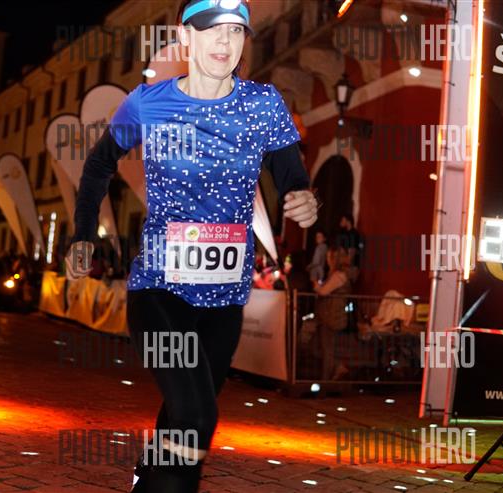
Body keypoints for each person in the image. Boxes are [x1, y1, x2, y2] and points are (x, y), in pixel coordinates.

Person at [66, 1, 318, 491]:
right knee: (197, 414)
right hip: (160, 290)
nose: (225, 42)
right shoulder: (147, 103)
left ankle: (147, 481)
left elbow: (292, 174)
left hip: (225, 299)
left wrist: (303, 197)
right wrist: (82, 234)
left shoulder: (263, 105)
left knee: (181, 414)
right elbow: (98, 165)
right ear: (185, 37)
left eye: (236, 31)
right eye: (211, 30)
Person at [313, 246, 352, 380]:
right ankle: (335, 369)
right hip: (331, 314)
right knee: (325, 347)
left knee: (327, 349)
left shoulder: (338, 275)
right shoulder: (337, 274)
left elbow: (324, 291)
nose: (327, 260)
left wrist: (316, 285)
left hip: (331, 315)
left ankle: (327, 378)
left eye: (329, 257)